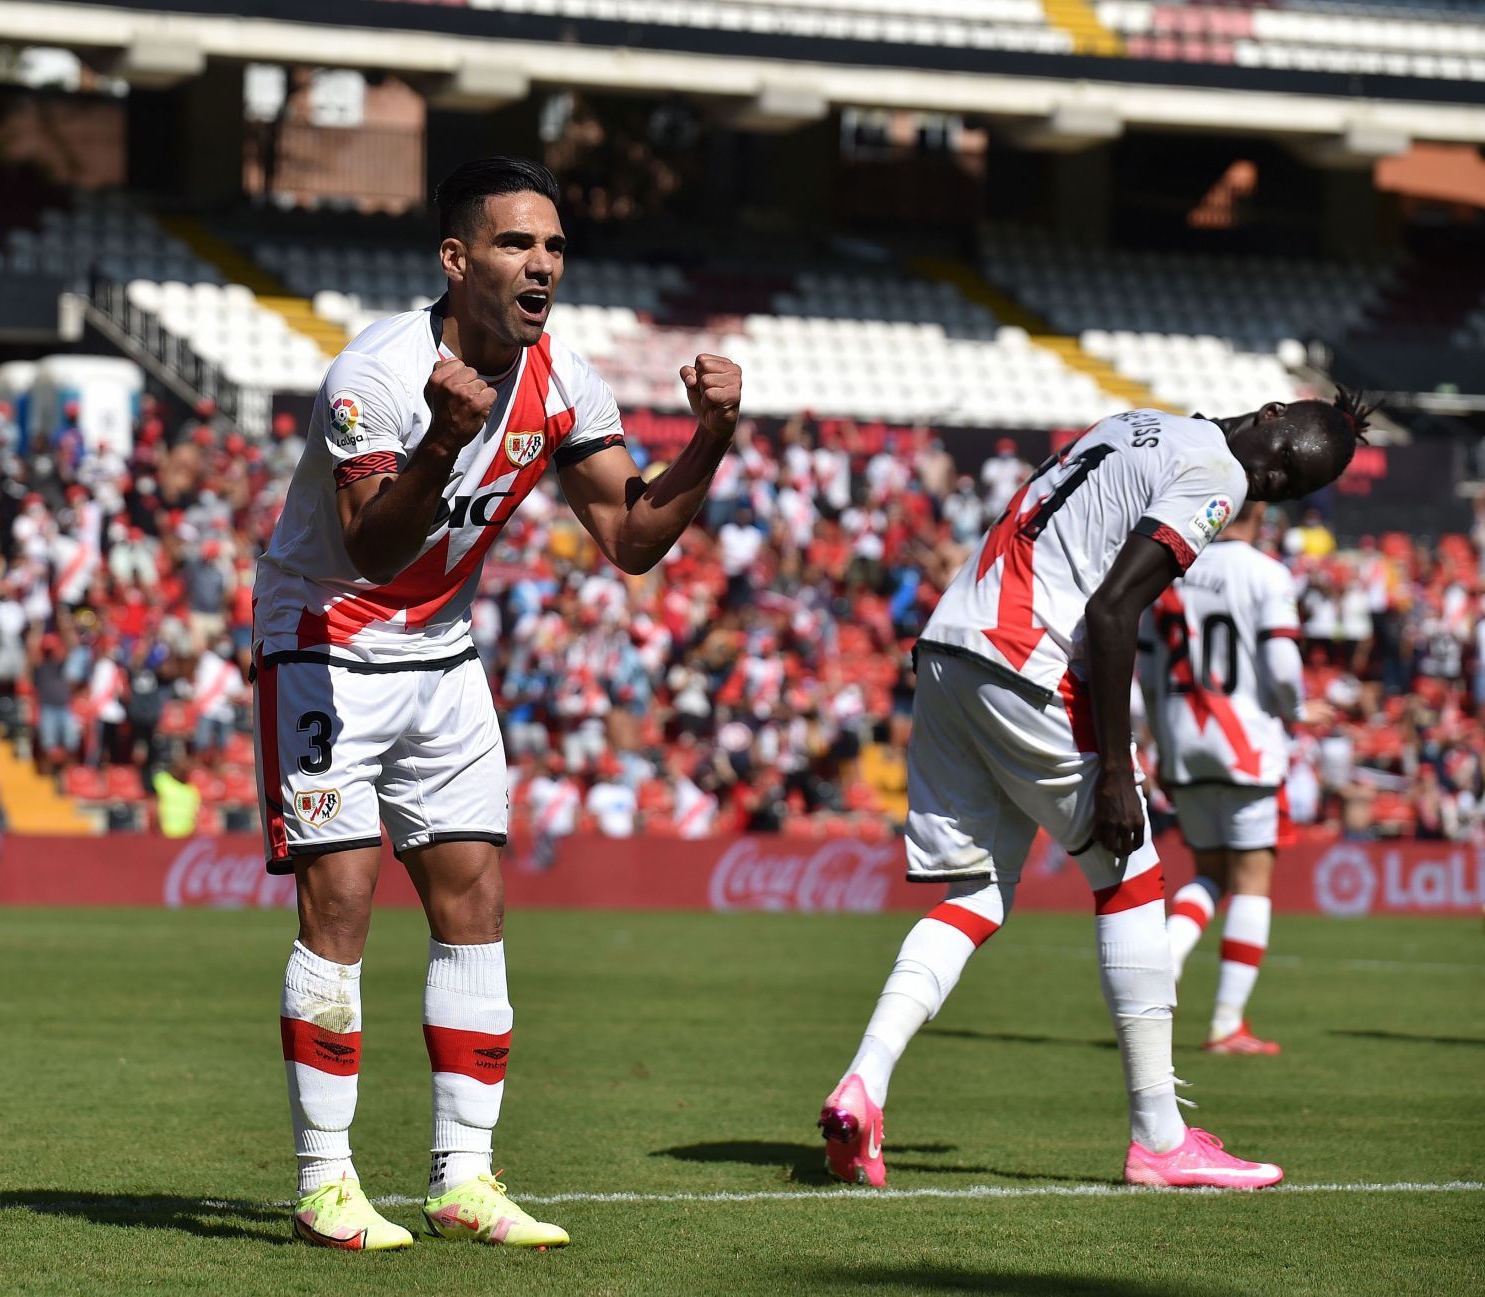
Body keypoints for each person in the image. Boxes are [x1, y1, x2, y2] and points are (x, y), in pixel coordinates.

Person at [253, 157, 742, 1251]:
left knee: (474, 905)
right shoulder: (373, 374)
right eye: (519, 244)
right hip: (326, 642)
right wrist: (440, 435)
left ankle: (461, 1178)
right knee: (339, 906)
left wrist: (709, 438)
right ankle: (324, 1183)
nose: (542, 266)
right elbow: (372, 549)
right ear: (456, 258)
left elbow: (630, 541)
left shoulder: (564, 377)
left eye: (556, 247)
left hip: (442, 653)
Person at [820, 391, 1373, 1192]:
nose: (1273, 477)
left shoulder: (1133, 424)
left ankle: (862, 1085)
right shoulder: (1216, 469)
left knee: (975, 892)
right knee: (1133, 877)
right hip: (1030, 658)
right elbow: (1115, 611)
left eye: (1289, 485)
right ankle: (1158, 1137)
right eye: (1283, 458)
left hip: (948, 647)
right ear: (1270, 412)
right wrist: (1117, 766)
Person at [1139, 500, 1303, 1055]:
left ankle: (1165, 954)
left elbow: (1141, 671)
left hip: (1181, 743)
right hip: (1247, 744)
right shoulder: (1267, 573)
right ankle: (1227, 1024)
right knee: (1253, 881)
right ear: (1260, 513)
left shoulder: (1167, 577)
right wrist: (1296, 712)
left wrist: (1152, 739)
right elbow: (1282, 668)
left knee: (1210, 871)